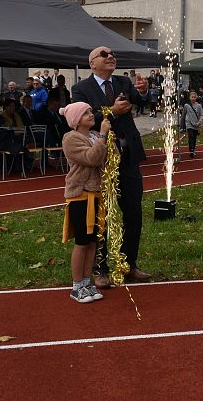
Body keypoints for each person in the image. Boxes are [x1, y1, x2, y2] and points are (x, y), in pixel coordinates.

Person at [71, 46, 151, 287]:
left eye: (112, 55)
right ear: (92, 63)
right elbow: (83, 119)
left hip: (128, 157)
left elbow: (140, 102)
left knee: (133, 213)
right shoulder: (80, 89)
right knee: (102, 216)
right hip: (102, 161)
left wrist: (144, 91)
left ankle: (129, 265)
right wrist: (112, 111)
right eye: (104, 55)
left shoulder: (123, 82)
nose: (110, 57)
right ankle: (100, 268)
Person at [60, 102, 113, 303]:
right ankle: (77, 286)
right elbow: (92, 158)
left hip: (96, 193)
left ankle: (86, 281)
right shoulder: (71, 138)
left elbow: (105, 158)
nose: (91, 115)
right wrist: (101, 136)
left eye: (91, 111)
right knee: (81, 242)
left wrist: (107, 140)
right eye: (85, 113)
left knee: (92, 242)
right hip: (80, 195)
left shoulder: (93, 136)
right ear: (75, 119)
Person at [183, 91, 203, 158]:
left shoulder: (198, 106)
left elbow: (202, 114)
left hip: (196, 124)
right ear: (189, 97)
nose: (193, 98)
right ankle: (191, 150)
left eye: (194, 97)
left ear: (196, 98)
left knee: (194, 137)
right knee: (191, 136)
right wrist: (182, 125)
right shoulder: (186, 105)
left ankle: (193, 148)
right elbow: (183, 115)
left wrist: (200, 121)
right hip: (189, 124)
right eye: (192, 97)